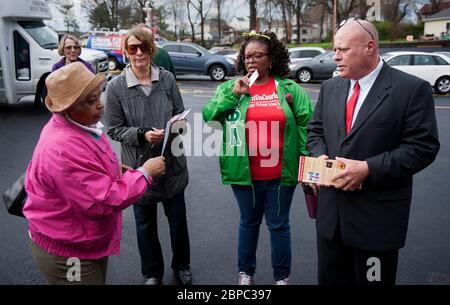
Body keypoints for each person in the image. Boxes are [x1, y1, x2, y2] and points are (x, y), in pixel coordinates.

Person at [307, 19, 440, 285]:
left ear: (370, 47)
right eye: (335, 50)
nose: (335, 57)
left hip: (376, 225)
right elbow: (315, 131)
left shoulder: (411, 90)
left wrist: (368, 169)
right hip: (331, 223)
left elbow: (423, 147)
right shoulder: (330, 87)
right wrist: (320, 155)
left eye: (343, 50)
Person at [23, 62, 166, 285]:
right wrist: (145, 173)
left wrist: (112, 170)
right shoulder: (63, 148)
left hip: (82, 239)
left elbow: (85, 174)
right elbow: (102, 201)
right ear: (68, 108)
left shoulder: (75, 126)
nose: (100, 105)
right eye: (91, 101)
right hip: (68, 250)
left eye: (99, 95)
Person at [202, 30, 313, 285]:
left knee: (279, 225)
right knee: (248, 223)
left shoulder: (289, 89)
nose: (251, 61)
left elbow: (308, 126)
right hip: (244, 174)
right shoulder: (232, 87)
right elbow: (209, 115)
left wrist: (306, 163)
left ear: (271, 58)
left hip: (281, 173)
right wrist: (234, 94)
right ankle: (246, 273)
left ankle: (282, 277)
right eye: (247, 56)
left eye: (258, 55)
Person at [105, 26, 191, 286]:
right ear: (126, 52)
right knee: (145, 226)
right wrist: (142, 134)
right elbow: (114, 129)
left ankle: (182, 266)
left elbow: (181, 115)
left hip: (171, 163)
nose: (139, 52)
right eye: (133, 48)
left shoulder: (166, 80)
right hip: (138, 168)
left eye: (144, 47)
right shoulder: (116, 87)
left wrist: (174, 129)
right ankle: (151, 273)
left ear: (152, 50)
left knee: (178, 223)